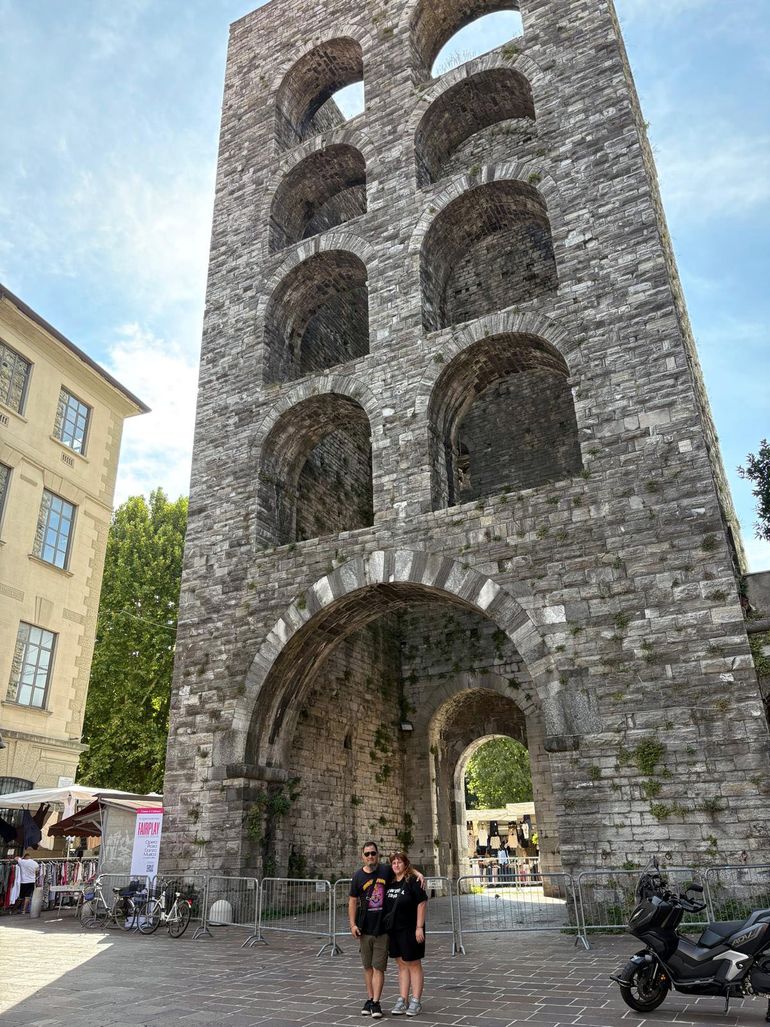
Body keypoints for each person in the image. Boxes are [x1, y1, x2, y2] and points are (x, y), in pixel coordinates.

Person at [348, 841, 425, 1019]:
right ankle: (390, 999)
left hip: (394, 929)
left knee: (395, 965)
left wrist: (418, 873)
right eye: (367, 854)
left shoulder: (389, 872)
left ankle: (401, 1001)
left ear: (377, 854)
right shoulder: (361, 876)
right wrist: (352, 924)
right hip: (378, 929)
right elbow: (352, 900)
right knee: (385, 966)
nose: (370, 856)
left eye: (373, 853)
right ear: (362, 856)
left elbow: (404, 869)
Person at [383, 852, 427, 1017]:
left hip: (411, 929)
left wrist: (419, 927)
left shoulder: (413, 881)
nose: (396, 865)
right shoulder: (391, 881)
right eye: (393, 862)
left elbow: (421, 903)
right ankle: (402, 998)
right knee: (401, 965)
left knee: (413, 964)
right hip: (395, 930)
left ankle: (416, 1000)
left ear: (405, 864)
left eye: (399, 862)